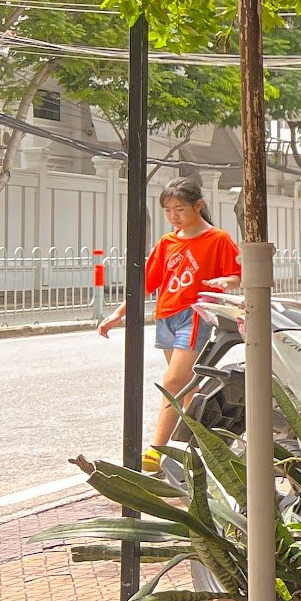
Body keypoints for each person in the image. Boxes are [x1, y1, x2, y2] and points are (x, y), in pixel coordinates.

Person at [97, 177, 242, 470]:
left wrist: (224, 281)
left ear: (198, 206)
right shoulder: (167, 242)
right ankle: (210, 448)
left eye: (179, 209)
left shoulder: (219, 239)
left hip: (196, 315)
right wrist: (118, 314)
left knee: (174, 381)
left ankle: (156, 451)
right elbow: (146, 285)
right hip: (166, 317)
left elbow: (238, 275)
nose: (174, 216)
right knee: (186, 388)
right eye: (168, 211)